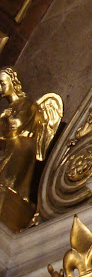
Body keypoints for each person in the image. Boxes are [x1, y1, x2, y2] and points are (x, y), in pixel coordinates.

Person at [0, 67, 62, 201]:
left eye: (2, 83)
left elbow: (16, 125)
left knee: (9, 181)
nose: (0, 88)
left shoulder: (26, 103)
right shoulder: (9, 108)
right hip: (8, 145)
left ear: (13, 83)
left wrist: (5, 118)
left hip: (22, 145)